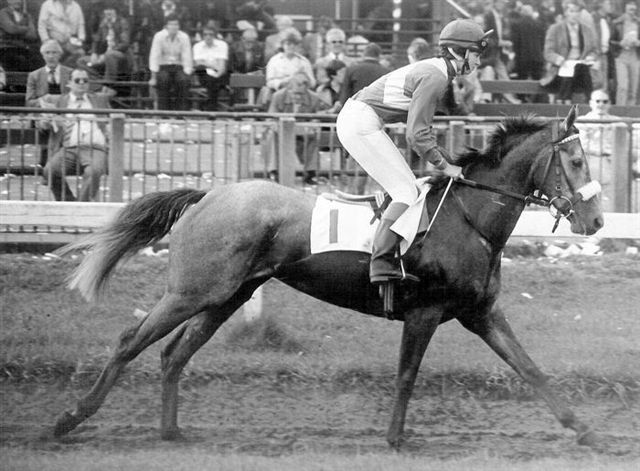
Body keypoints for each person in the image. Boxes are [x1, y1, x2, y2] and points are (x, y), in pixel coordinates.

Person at [336, 19, 491, 286]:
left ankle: (392, 250)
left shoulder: (438, 71)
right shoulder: (436, 76)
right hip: (360, 122)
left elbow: (420, 132)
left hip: (360, 119)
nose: (478, 61)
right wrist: (445, 166)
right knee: (406, 192)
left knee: (410, 188)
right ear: (458, 52)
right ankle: (380, 264)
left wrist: (443, 157)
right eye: (476, 54)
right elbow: (416, 135)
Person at [39, 68, 110, 202]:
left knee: (93, 172)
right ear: (69, 83)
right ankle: (68, 203)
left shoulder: (99, 100)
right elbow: (43, 125)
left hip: (95, 148)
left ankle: (81, 206)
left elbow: (111, 120)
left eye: (85, 80)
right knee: (50, 171)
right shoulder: (59, 101)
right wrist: (46, 122)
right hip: (69, 149)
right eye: (77, 80)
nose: (82, 83)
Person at [265, 71, 331, 185]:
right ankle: (274, 171)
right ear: (288, 89)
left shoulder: (314, 98)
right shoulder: (278, 96)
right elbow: (270, 118)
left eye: (302, 94)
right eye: (295, 93)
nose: (298, 97)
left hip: (303, 132)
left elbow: (316, 118)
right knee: (272, 135)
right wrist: (275, 125)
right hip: (282, 132)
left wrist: (313, 125)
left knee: (314, 137)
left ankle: (310, 173)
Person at [541, 0, 598, 104]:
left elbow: (594, 50)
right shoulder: (555, 29)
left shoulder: (587, 30)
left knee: (583, 71)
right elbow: (548, 52)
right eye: (571, 11)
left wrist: (590, 57)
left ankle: (590, 104)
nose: (574, 15)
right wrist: (559, 59)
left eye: (577, 11)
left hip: (581, 69)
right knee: (568, 73)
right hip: (560, 69)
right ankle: (564, 103)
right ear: (566, 12)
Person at [578, 89, 618, 210]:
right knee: (590, 198)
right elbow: (583, 145)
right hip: (591, 161)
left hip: (611, 162)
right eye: (598, 101)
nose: (601, 104)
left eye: (605, 101)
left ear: (609, 104)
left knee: (610, 200)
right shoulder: (582, 121)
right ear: (591, 103)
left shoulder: (616, 121)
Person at [79, 6, 133, 88]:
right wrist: (94, 53)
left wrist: (105, 54)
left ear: (115, 11)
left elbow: (125, 44)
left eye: (111, 10)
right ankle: (99, 81)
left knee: (109, 55)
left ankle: (108, 85)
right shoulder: (103, 23)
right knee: (81, 61)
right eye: (106, 10)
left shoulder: (122, 22)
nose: (108, 12)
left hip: (121, 55)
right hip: (104, 55)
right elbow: (96, 40)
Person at [260, 28, 315, 109]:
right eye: (288, 44)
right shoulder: (274, 60)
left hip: (299, 94)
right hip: (279, 92)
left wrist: (301, 80)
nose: (291, 47)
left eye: (294, 44)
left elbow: (312, 82)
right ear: (282, 45)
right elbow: (269, 81)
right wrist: (283, 82)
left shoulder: (303, 61)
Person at [478, 0, 521, 104]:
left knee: (501, 74)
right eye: (500, 2)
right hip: (489, 52)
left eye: (503, 3)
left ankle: (508, 98)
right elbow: (485, 37)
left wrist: (504, 43)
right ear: (495, 3)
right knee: (499, 73)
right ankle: (509, 98)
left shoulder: (501, 17)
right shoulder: (488, 16)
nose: (502, 5)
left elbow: (501, 34)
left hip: (498, 52)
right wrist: (500, 43)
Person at [148, 13, 193, 111]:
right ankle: (164, 113)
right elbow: (154, 57)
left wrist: (187, 74)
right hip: (163, 66)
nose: (174, 27)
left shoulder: (184, 37)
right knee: (163, 80)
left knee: (183, 81)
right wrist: (153, 77)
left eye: (176, 24)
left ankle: (181, 113)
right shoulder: (159, 36)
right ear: (166, 26)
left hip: (178, 67)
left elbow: (187, 57)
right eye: (171, 24)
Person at [37, 0, 86, 66]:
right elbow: (42, 25)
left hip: (70, 41)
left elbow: (81, 25)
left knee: (80, 53)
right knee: (52, 56)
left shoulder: (76, 6)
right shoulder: (47, 4)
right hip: (52, 40)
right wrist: (46, 41)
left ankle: (65, 69)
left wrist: (79, 40)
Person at [193, 23, 229, 111]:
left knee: (213, 81)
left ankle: (210, 108)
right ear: (202, 35)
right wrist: (213, 66)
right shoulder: (197, 46)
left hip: (219, 74)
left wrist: (216, 74)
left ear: (215, 35)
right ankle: (212, 109)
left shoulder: (222, 45)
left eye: (210, 34)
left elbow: (222, 67)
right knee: (206, 75)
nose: (208, 37)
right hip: (203, 73)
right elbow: (199, 64)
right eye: (205, 34)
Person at [610, 1, 640, 105]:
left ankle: (630, 111)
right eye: (630, 6)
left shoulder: (638, 23)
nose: (632, 9)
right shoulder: (617, 23)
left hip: (635, 57)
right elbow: (611, 41)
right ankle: (620, 110)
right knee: (622, 87)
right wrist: (620, 43)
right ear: (625, 8)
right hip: (621, 57)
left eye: (634, 7)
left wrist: (638, 43)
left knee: (633, 88)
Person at [0, 0, 40, 71]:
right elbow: (11, 29)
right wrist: (26, 29)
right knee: (19, 60)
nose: (18, 1)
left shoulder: (26, 15)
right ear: (9, 1)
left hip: (22, 47)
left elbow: (33, 35)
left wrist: (17, 30)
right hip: (6, 47)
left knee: (38, 60)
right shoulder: (3, 13)